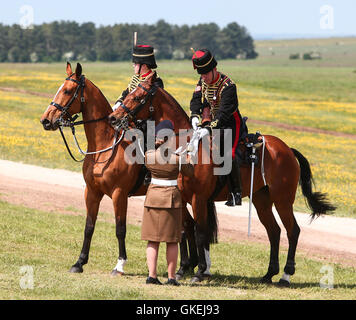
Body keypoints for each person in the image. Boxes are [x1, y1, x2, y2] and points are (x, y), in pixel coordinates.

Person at [141, 120, 194, 285]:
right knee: (172, 240)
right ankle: (171, 277)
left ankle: (152, 276)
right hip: (171, 199)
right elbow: (190, 172)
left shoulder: (149, 156)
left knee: (152, 240)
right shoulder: (177, 159)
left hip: (153, 198)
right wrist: (188, 157)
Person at [189, 48, 244, 206]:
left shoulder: (228, 86)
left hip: (230, 124)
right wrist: (194, 115)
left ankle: (236, 192)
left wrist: (208, 128)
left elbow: (223, 114)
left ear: (214, 69)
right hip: (211, 121)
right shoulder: (202, 81)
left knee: (229, 153)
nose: (203, 77)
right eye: (201, 74)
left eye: (206, 73)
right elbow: (196, 99)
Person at [113, 44, 164, 111]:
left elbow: (151, 103)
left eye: (135, 64)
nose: (133, 66)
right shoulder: (136, 78)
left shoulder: (156, 81)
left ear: (144, 66)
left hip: (149, 118)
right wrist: (118, 104)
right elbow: (126, 93)